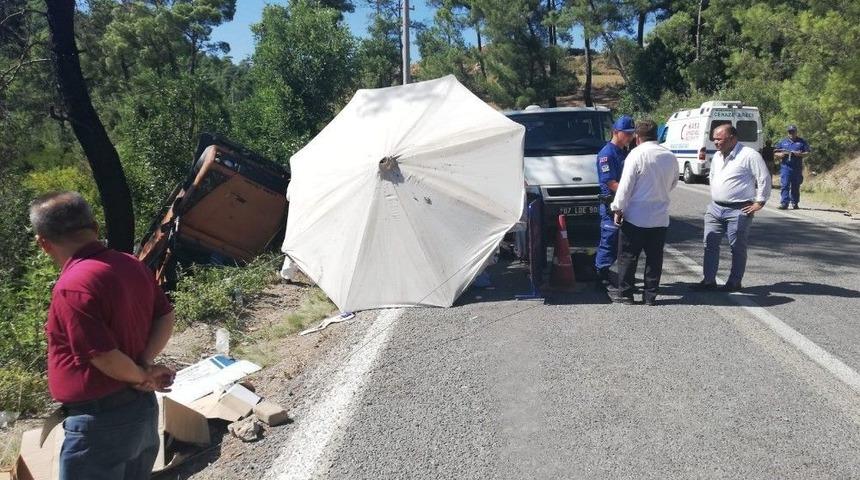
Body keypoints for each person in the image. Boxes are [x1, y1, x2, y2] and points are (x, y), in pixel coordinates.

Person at [29, 191, 176, 480]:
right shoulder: (130, 264)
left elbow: (105, 357)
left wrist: (141, 376)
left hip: (101, 424)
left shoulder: (73, 287)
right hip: (139, 412)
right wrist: (144, 363)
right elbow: (165, 315)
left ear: (43, 243)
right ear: (95, 229)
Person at [691, 124, 771, 292]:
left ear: (733, 138)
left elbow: (763, 177)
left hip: (739, 209)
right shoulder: (717, 156)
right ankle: (709, 280)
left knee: (737, 247)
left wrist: (760, 202)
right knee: (710, 243)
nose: (715, 142)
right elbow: (712, 176)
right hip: (715, 208)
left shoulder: (749, 155)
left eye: (719, 139)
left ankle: (734, 281)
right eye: (714, 138)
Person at [609, 120, 679, 305]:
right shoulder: (670, 156)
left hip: (635, 216)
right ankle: (650, 296)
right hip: (659, 216)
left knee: (628, 257)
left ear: (637, 137)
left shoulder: (636, 154)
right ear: (657, 135)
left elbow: (625, 186)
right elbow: (673, 183)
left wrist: (618, 208)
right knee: (654, 259)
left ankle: (626, 294)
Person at [594, 115, 636, 286]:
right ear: (616, 132)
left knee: (624, 242)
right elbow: (610, 182)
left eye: (632, 133)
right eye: (626, 133)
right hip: (611, 204)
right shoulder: (607, 154)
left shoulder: (624, 151)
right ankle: (601, 272)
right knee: (609, 240)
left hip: (624, 202)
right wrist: (631, 192)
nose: (630, 137)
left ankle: (616, 273)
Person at [774, 125, 810, 209]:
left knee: (795, 185)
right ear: (788, 133)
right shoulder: (783, 142)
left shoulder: (801, 142)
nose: (791, 134)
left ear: (796, 132)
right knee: (785, 185)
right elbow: (775, 152)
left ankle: (795, 202)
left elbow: (807, 152)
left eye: (793, 132)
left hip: (796, 167)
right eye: (790, 132)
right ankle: (784, 203)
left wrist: (799, 154)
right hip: (786, 167)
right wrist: (781, 155)